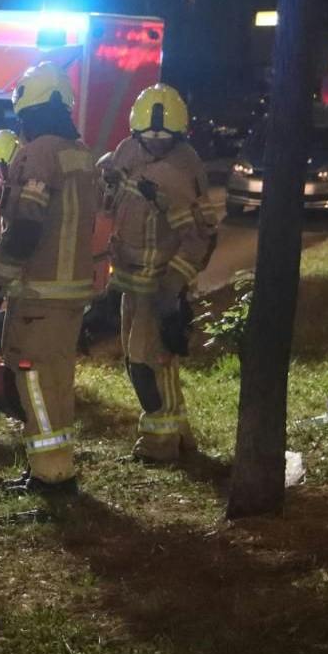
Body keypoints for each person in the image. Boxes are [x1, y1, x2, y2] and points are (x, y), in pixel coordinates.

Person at [0, 62, 102, 496]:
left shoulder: (37, 154)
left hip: (38, 292)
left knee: (32, 379)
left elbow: (26, 227)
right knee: (56, 380)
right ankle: (58, 467)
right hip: (72, 291)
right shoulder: (81, 154)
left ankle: (50, 474)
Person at [101, 83, 213, 462]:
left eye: (166, 139)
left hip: (162, 282)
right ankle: (181, 436)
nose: (157, 144)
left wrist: (173, 286)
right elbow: (112, 200)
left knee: (148, 363)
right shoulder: (127, 151)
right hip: (131, 279)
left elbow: (200, 236)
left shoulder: (184, 167)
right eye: (149, 138)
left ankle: (159, 445)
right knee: (150, 361)